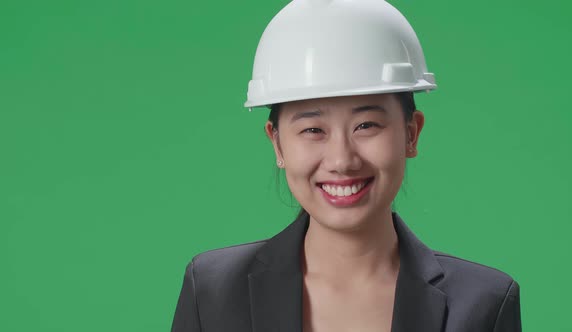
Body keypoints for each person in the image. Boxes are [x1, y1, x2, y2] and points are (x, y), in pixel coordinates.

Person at [171, 0, 522, 331]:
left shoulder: (482, 304)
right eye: (313, 130)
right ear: (277, 143)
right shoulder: (213, 292)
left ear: (411, 134)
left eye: (366, 125)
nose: (342, 160)